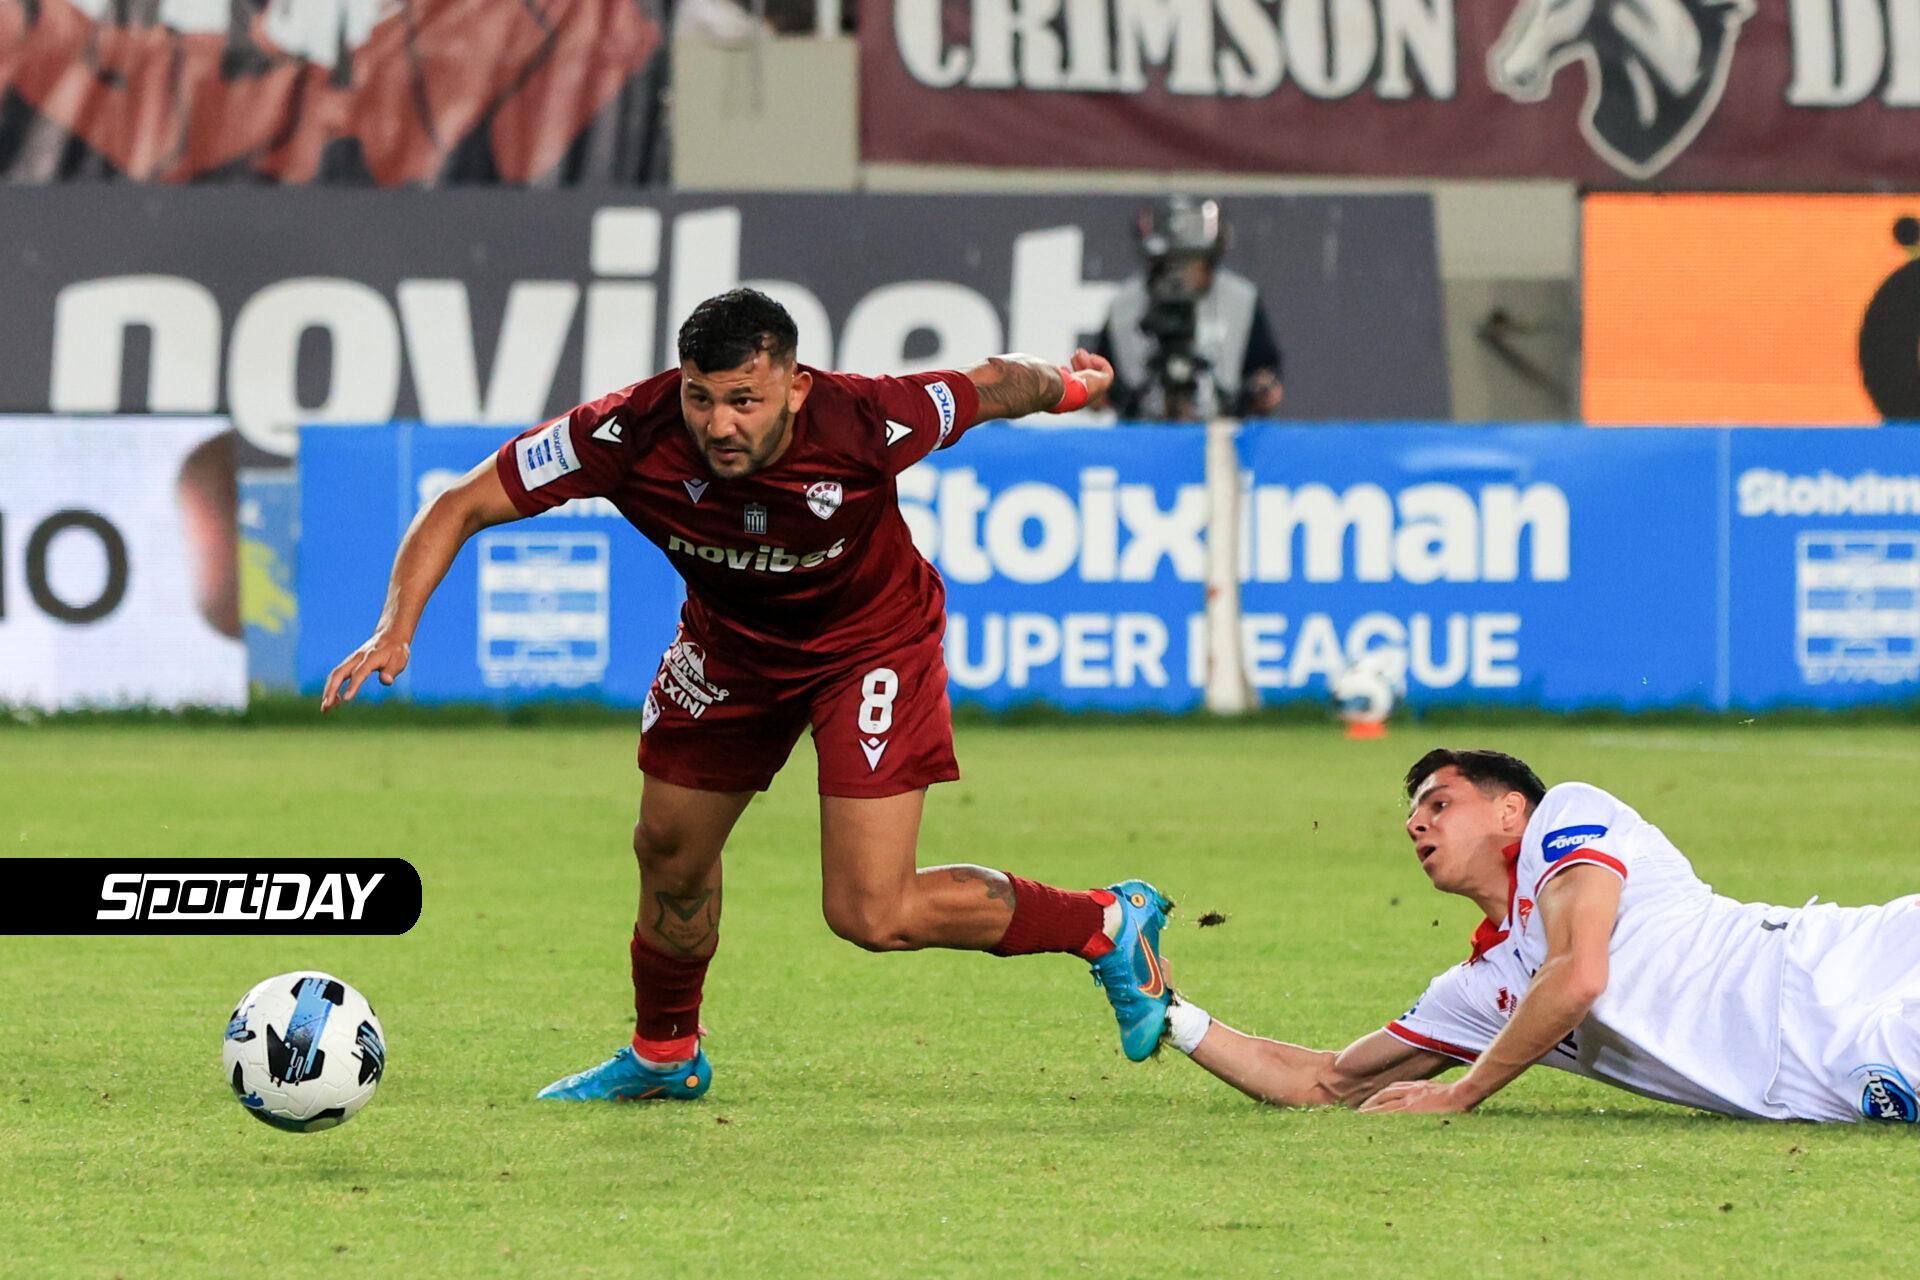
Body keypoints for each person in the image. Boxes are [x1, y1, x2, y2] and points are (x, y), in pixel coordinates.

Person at [320, 288, 1174, 1101]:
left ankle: (1105, 922)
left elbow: (994, 384)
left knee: (872, 912)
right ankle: (664, 1055)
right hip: (731, 653)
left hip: (870, 646)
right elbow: (463, 502)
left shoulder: (869, 417)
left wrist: (1069, 388)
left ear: (795, 388)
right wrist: (395, 627)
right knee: (669, 851)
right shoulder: (622, 431)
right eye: (700, 398)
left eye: (743, 401)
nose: (719, 425)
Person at [1160, 748, 1920, 1124]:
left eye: (1439, 803)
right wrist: (1167, 1012)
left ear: (1510, 811)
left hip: (1855, 959)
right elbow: (1325, 1082)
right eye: (1413, 815)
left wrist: (1464, 1092)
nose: (1416, 823)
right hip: (1831, 1071)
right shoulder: (1479, 991)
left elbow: (1579, 975)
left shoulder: (1568, 818)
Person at [1092, 195, 1284, 422]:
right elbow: (1100, 383)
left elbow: (1265, 374)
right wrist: (1098, 391)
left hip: (1221, 432)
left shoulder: (1241, 300)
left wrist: (1261, 390)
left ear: (1210, 260)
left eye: (1190, 260)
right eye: (1169, 263)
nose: (1179, 275)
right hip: (1142, 432)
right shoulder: (1124, 305)